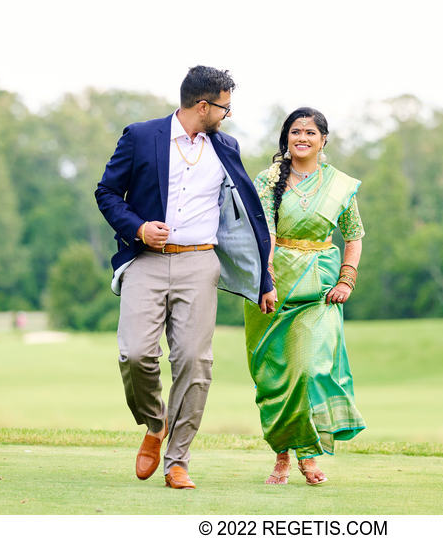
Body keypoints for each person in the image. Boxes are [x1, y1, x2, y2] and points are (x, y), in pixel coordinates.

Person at [94, 65, 277, 490]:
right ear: (202, 105)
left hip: (200, 263)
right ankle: (156, 425)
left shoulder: (225, 147)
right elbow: (105, 192)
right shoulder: (141, 137)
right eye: (224, 107)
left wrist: (263, 279)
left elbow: (248, 214)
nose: (227, 115)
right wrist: (137, 227)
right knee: (135, 354)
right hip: (146, 260)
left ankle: (178, 460)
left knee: (195, 362)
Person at [244, 107, 366, 486]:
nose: (302, 138)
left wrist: (346, 279)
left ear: (323, 139)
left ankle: (308, 455)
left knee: (310, 369)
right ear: (287, 138)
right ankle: (282, 454)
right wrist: (266, 280)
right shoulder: (267, 180)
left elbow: (354, 234)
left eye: (310, 132)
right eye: (296, 131)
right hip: (273, 286)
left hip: (320, 288)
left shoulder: (339, 185)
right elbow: (261, 231)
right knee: (278, 377)